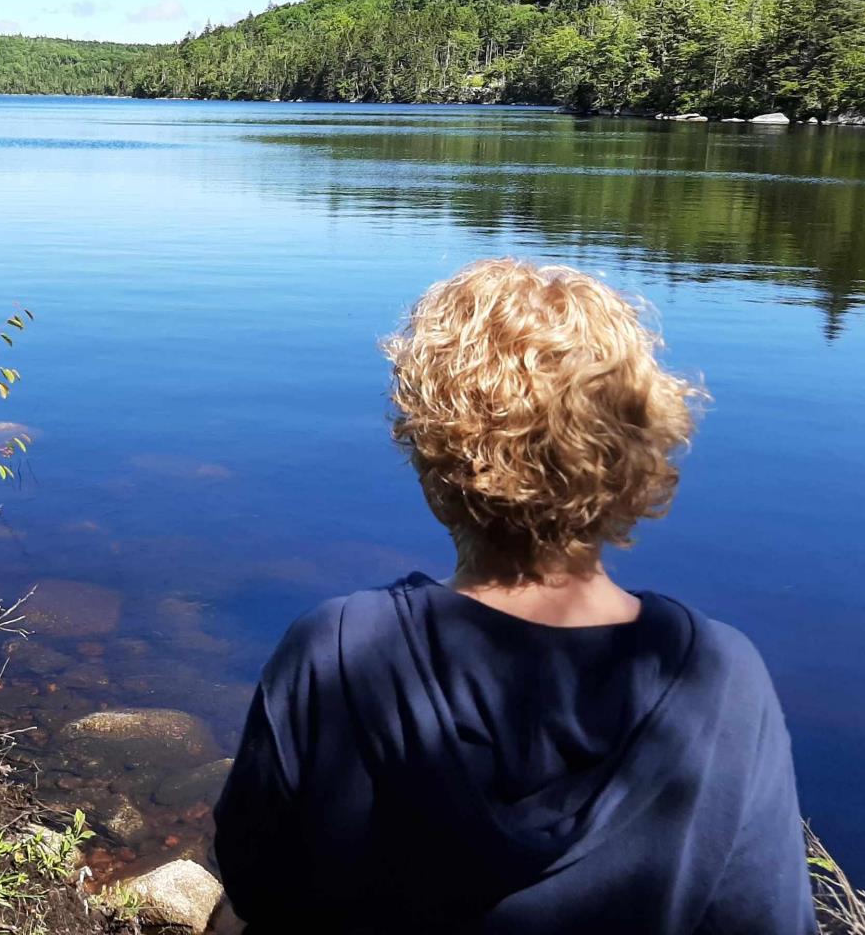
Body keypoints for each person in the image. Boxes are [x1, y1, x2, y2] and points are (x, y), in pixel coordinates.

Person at [213, 259, 815, 934]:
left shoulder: (340, 653)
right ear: (634, 455)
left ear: (433, 454)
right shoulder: (721, 682)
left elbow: (257, 886)